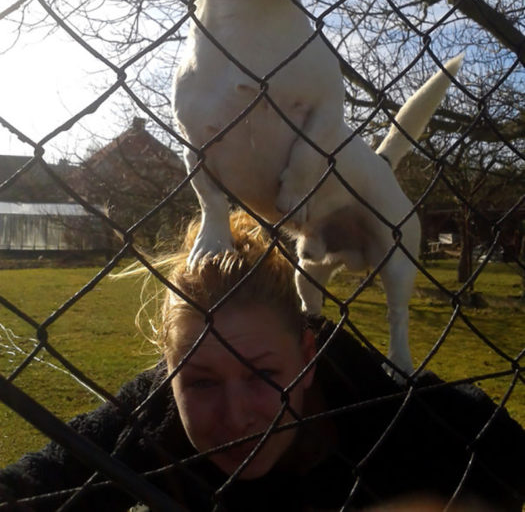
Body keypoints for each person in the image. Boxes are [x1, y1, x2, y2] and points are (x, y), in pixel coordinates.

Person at [0, 212, 524, 512]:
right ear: (168, 367)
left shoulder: (383, 402)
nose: (236, 417)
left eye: (265, 376)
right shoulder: (154, 410)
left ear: (308, 356)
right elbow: (45, 480)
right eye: (201, 383)